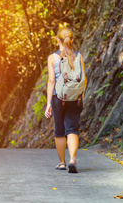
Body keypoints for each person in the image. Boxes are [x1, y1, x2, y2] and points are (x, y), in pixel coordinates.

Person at [44, 27, 86, 174]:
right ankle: (72, 160)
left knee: (60, 131)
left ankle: (62, 163)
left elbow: (51, 81)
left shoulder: (52, 58)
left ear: (58, 40)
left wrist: (48, 103)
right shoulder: (78, 56)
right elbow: (84, 80)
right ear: (72, 40)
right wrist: (80, 96)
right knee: (72, 129)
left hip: (58, 97)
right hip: (75, 98)